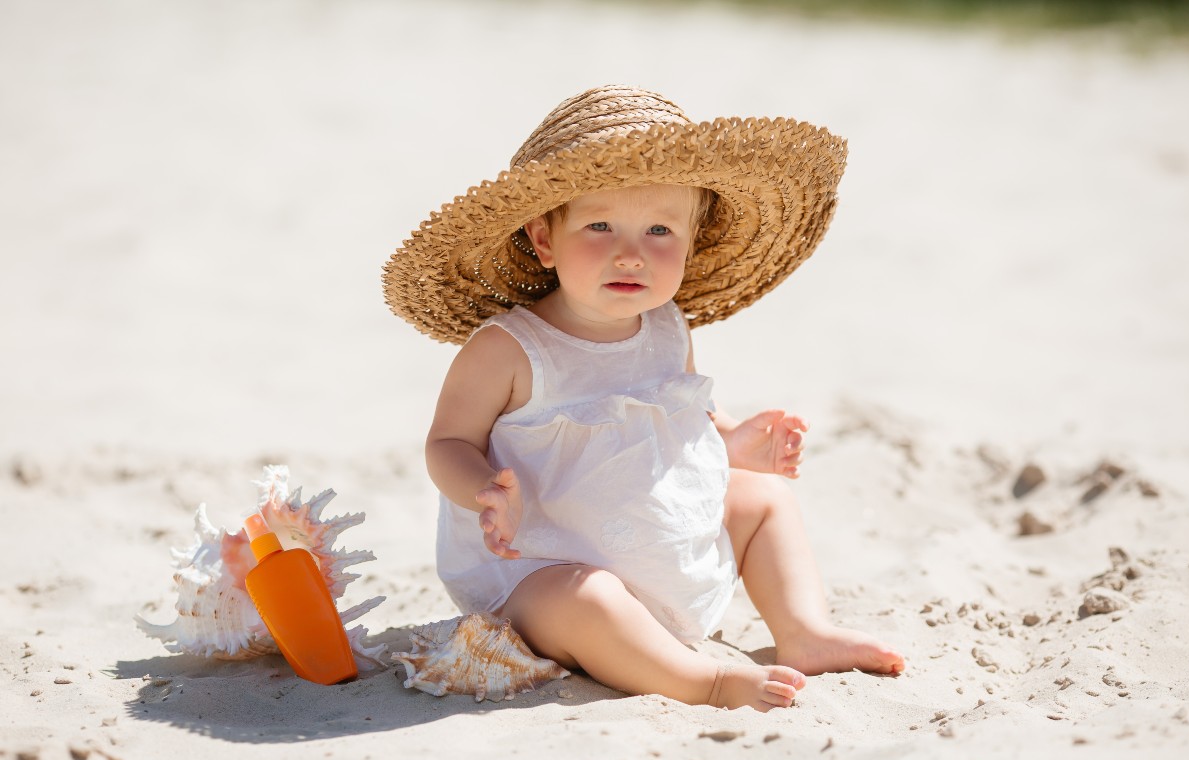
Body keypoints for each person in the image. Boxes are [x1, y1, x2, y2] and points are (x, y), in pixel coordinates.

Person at [383, 85, 905, 711]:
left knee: (764, 500)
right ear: (545, 240)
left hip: (661, 548)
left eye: (660, 229)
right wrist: (484, 492)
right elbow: (448, 442)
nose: (630, 251)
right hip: (542, 567)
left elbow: (683, 414)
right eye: (599, 225)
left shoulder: (667, 326)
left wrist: (735, 443)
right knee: (587, 599)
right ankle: (702, 680)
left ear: (690, 243)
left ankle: (803, 630)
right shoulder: (510, 349)